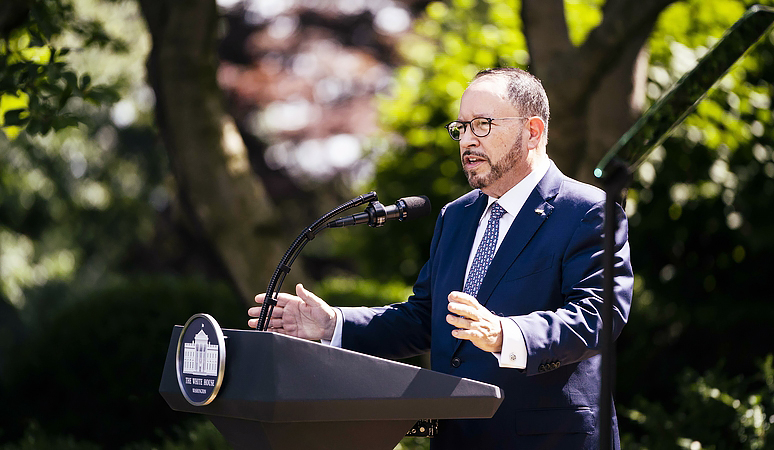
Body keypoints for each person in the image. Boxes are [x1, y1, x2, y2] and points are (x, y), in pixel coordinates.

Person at [248, 67, 633, 449]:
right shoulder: (457, 216)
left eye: (482, 124)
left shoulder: (586, 211)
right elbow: (425, 319)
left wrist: (504, 334)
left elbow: (597, 317)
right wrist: (335, 324)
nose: (467, 140)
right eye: (461, 127)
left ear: (531, 131)